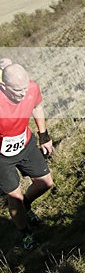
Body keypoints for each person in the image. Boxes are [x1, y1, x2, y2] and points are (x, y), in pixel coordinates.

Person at [0, 63, 54, 250]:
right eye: (17, 90)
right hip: (2, 157)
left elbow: (37, 107)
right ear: (4, 86)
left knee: (46, 183)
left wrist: (44, 136)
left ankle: (26, 205)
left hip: (26, 144)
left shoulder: (32, 88)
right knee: (14, 197)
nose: (23, 94)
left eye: (25, 88)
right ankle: (26, 234)